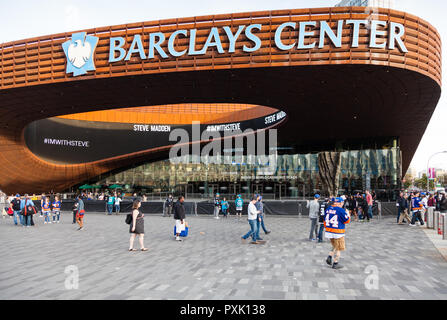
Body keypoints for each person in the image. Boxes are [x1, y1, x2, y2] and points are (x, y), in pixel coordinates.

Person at [324, 197, 351, 269]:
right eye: (342, 203)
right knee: (339, 248)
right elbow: (347, 220)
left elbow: (324, 221)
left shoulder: (328, 209)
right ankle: (335, 263)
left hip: (329, 231)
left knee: (335, 245)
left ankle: (329, 256)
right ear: (339, 203)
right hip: (338, 232)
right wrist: (348, 213)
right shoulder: (341, 210)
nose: (342, 204)